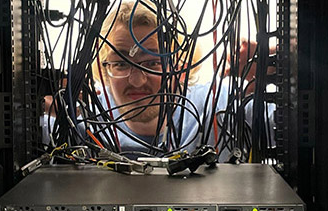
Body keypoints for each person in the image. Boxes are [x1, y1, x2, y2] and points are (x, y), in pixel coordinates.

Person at [43, 0, 276, 161]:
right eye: (121, 64)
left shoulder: (223, 105)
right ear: (103, 69)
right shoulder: (79, 118)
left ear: (183, 67)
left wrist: (281, 62)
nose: (136, 81)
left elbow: (296, 128)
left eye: (154, 63)